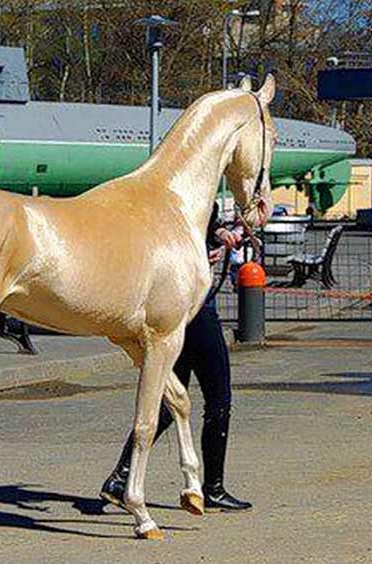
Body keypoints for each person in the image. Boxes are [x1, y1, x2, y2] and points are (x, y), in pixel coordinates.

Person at [100, 204, 252, 512]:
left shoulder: (172, 197)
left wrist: (218, 236)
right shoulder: (193, 194)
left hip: (174, 310)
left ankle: (121, 477)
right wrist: (214, 241)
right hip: (193, 307)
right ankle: (213, 488)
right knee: (219, 397)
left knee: (168, 399)